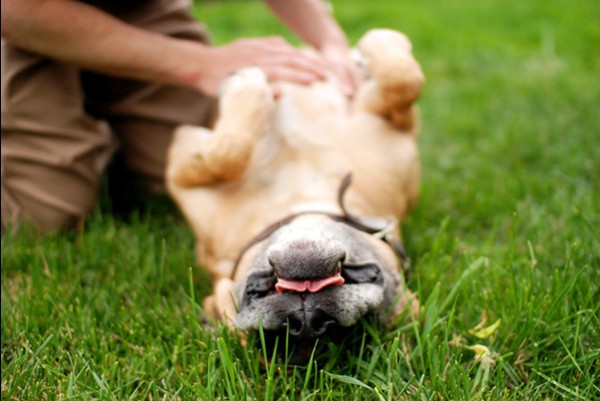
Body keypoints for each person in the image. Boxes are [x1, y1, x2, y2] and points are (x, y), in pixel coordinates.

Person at [0, 0, 360, 233]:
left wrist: (329, 41)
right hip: (23, 18)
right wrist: (198, 66)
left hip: (135, 7)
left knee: (206, 181)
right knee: (44, 217)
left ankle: (95, 122)